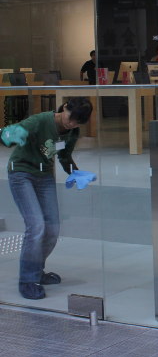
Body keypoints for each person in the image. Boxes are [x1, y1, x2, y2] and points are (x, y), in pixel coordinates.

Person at [1, 97, 93, 300]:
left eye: (78, 122)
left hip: (44, 177)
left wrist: (75, 172)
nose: (72, 124)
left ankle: (36, 271)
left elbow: (64, 156)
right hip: (22, 173)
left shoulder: (72, 131)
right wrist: (10, 135)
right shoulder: (41, 121)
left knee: (52, 229)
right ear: (65, 107)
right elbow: (9, 134)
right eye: (72, 118)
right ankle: (27, 280)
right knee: (36, 226)